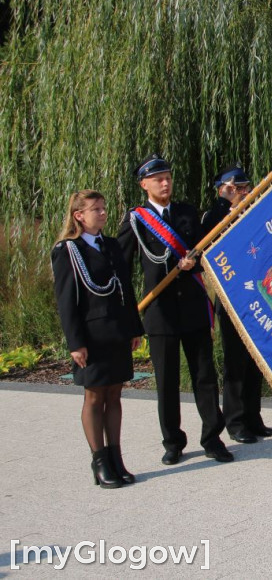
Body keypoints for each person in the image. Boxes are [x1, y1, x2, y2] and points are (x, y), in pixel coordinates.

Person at [117, 154, 233, 465]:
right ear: (144, 184)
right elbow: (122, 269)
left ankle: (212, 438)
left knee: (205, 377)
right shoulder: (135, 220)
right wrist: (128, 318)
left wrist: (195, 259)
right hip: (161, 313)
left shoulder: (186, 212)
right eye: (157, 179)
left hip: (193, 307)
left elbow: (203, 244)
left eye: (167, 176)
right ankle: (172, 441)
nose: (165, 182)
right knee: (167, 382)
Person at [52, 190, 145, 488]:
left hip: (116, 331)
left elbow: (126, 289)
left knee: (115, 395)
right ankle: (100, 461)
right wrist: (75, 343)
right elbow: (66, 301)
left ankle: (117, 458)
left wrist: (134, 328)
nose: (103, 214)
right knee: (94, 396)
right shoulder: (68, 250)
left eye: (104, 208)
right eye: (96, 209)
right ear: (79, 215)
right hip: (91, 335)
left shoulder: (112, 245)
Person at [201, 164, 272, 443]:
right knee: (236, 361)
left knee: (255, 360)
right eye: (237, 189)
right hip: (231, 298)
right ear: (224, 190)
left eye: (246, 188)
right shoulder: (215, 216)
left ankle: (253, 417)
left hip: (256, 296)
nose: (244, 193)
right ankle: (235, 422)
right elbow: (206, 238)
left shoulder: (253, 215)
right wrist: (225, 201)